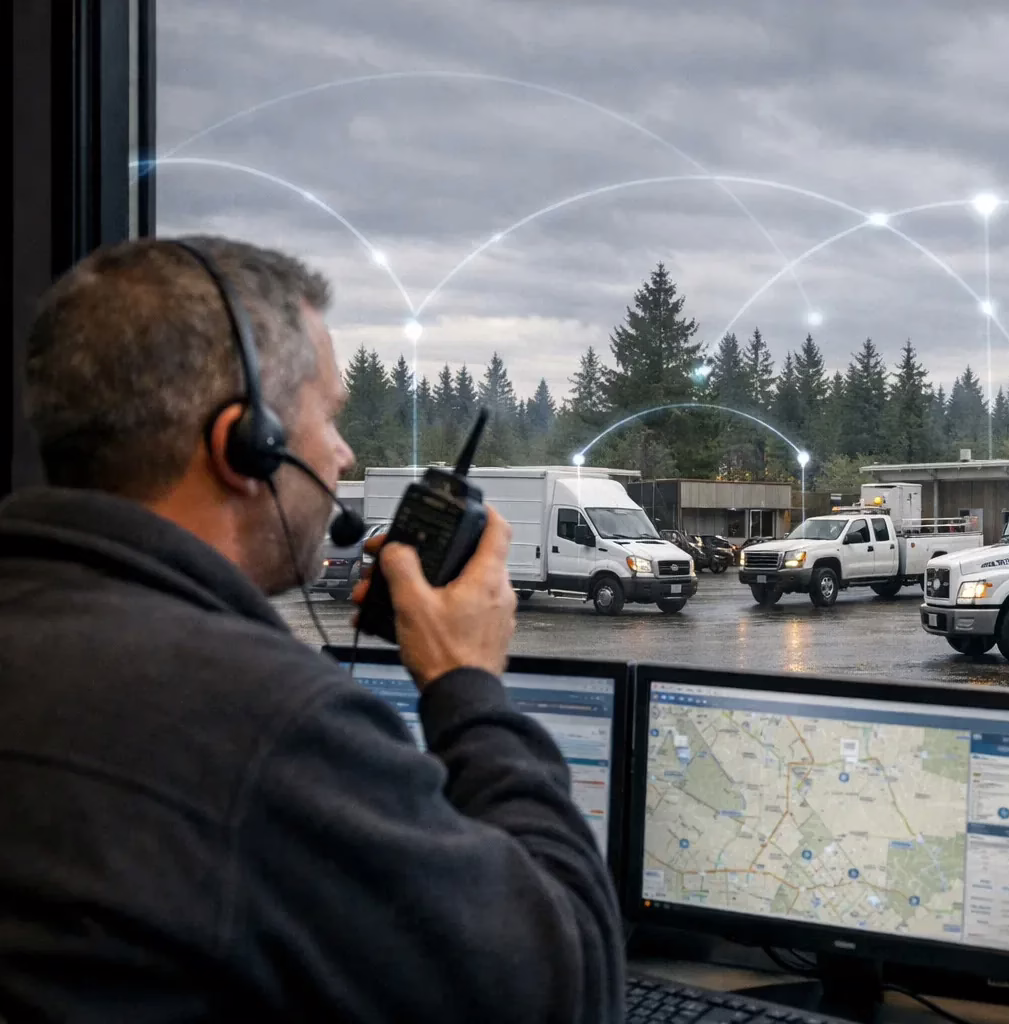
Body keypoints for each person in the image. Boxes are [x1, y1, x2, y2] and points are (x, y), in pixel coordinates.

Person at [0, 236, 624, 1022]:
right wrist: (470, 686)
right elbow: (562, 992)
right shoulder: (256, 722)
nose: (344, 453)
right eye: (328, 417)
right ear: (246, 446)